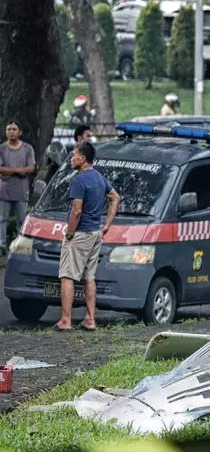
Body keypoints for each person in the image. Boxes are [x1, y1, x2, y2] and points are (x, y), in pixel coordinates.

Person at [57, 141, 120, 331]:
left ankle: (66, 321)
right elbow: (115, 197)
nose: (71, 159)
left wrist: (69, 233)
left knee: (67, 276)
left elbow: (76, 211)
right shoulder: (99, 178)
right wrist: (106, 225)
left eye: (74, 155)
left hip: (80, 233)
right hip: (95, 233)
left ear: (82, 159)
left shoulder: (79, 180)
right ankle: (90, 319)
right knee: (89, 277)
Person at [0, 121, 36, 257]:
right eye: (8, 129)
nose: (11, 132)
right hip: (4, 189)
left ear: (19, 132)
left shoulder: (27, 149)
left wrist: (9, 171)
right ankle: (1, 245)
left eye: (14, 129)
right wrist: (18, 170)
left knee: (21, 219)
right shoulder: (1, 149)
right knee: (2, 219)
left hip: (22, 189)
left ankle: (20, 246)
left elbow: (31, 167)